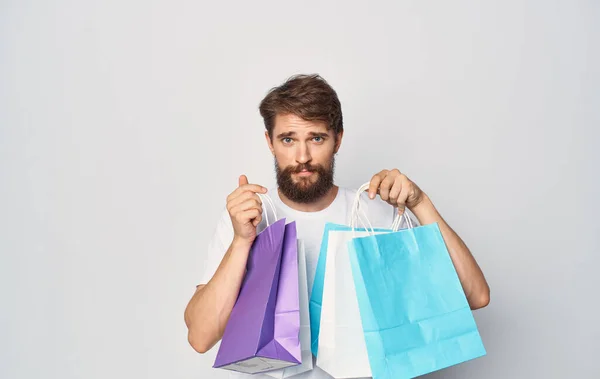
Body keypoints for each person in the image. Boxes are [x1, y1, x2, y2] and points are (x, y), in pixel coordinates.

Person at [184, 74, 490, 379]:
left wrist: (420, 202)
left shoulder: (376, 216)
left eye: (316, 138)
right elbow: (200, 336)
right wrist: (241, 241)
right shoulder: (247, 217)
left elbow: (475, 295)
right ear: (270, 142)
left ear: (338, 140)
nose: (302, 157)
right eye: (288, 139)